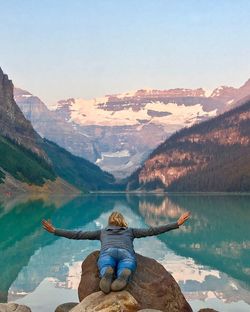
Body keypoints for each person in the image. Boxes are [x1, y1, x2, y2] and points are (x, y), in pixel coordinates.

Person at [42, 211, 190, 294]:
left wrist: (55, 231)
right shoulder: (130, 231)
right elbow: (153, 231)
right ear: (122, 222)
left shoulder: (102, 232)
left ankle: (107, 272)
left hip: (108, 252)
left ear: (110, 222)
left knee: (105, 262)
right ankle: (123, 274)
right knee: (128, 264)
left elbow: (78, 234)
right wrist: (176, 224)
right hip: (126, 253)